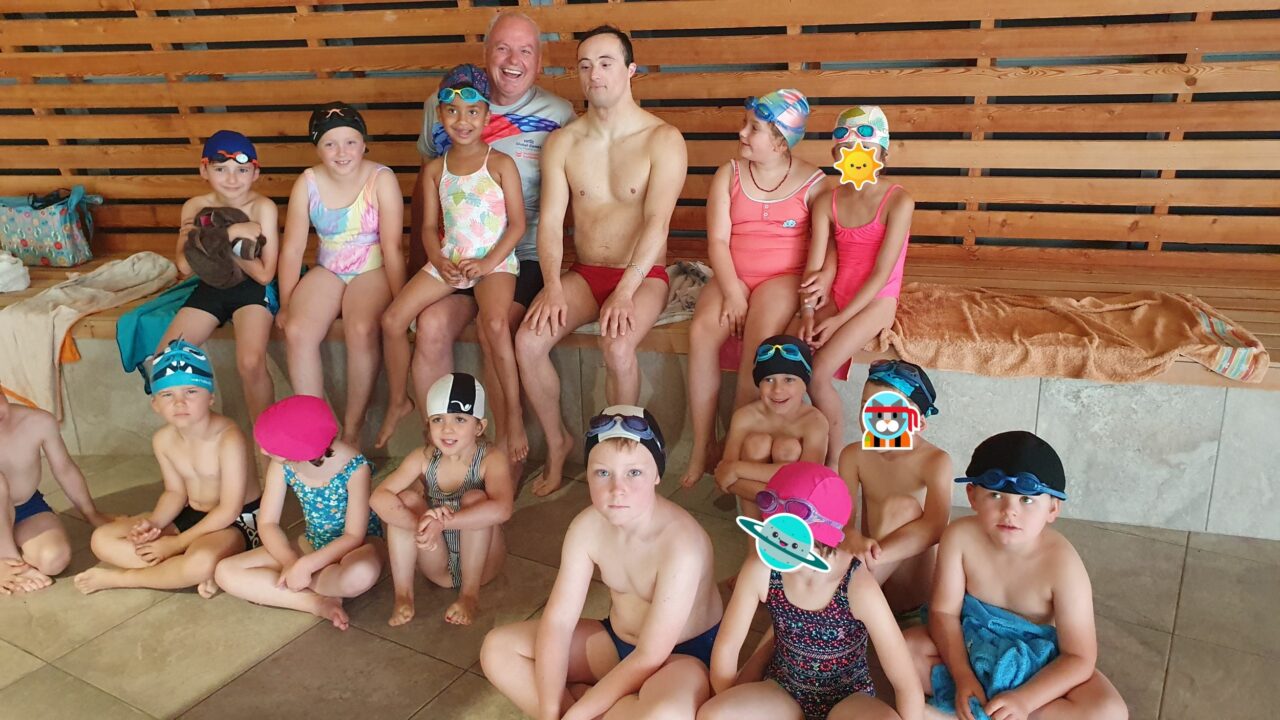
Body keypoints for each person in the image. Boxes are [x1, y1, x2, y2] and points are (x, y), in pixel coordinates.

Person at [516, 25, 687, 496]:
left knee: (617, 346)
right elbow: (550, 223)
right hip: (584, 272)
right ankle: (557, 444)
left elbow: (657, 224)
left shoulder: (663, 139)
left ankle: (624, 460)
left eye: (606, 63)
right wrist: (552, 284)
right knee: (529, 341)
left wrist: (627, 292)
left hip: (643, 272)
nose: (594, 74)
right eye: (585, 65)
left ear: (631, 70)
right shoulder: (564, 143)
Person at [407, 12, 576, 467]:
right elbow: (429, 187)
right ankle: (444, 454)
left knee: (492, 327)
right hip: (460, 257)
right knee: (432, 326)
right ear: (486, 54)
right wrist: (433, 258)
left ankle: (505, 455)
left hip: (525, 256)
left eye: (525, 50)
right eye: (503, 47)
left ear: (539, 61)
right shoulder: (439, 107)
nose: (513, 60)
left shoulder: (558, 114)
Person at [480, 406, 723, 720]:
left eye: (633, 472)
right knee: (498, 649)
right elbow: (558, 623)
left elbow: (651, 655)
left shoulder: (682, 544)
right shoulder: (586, 527)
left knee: (663, 714)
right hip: (617, 644)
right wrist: (555, 712)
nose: (616, 488)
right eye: (602, 472)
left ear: (657, 474)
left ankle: (599, 705)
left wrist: (578, 713)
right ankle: (601, 708)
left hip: (680, 659)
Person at [904, 431, 1128, 720]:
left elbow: (1079, 657)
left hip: (1038, 661)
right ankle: (976, 704)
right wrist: (962, 676)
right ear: (972, 495)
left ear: (1052, 508)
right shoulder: (959, 537)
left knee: (1109, 712)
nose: (1009, 511)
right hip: (971, 646)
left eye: (1027, 500)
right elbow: (944, 613)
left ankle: (987, 713)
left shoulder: (1063, 564)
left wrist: (1024, 700)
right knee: (903, 650)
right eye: (995, 495)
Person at [376, 66, 526, 457]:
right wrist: (439, 260)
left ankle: (514, 421)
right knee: (392, 321)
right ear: (440, 115)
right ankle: (399, 399)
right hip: (452, 260)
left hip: (494, 263)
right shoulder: (434, 170)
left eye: (473, 112)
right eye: (453, 112)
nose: (463, 121)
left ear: (487, 116)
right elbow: (427, 228)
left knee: (494, 324)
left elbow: (517, 225)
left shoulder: (500, 164)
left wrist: (489, 262)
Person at [701, 462, 924, 720]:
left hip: (848, 696)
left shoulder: (856, 585)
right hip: (783, 689)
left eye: (786, 538)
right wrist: (731, 699)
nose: (776, 545)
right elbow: (727, 647)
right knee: (715, 714)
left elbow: (905, 681)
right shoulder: (761, 569)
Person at [682, 89, 826, 488]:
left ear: (781, 140)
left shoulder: (815, 183)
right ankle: (701, 445)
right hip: (733, 273)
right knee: (700, 332)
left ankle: (738, 444)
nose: (742, 133)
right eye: (746, 125)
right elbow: (717, 242)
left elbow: (824, 246)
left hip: (782, 278)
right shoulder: (728, 174)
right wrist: (730, 290)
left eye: (754, 128)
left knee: (758, 344)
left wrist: (810, 296)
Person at [74, 340, 263, 598]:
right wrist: (154, 524)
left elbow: (229, 509)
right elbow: (175, 493)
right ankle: (185, 570)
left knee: (201, 561)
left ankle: (128, 578)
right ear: (155, 404)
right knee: (102, 539)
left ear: (210, 397)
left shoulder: (229, 438)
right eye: (167, 395)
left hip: (236, 521)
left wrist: (176, 544)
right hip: (190, 514)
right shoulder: (163, 440)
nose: (179, 403)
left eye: (191, 392)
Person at [277, 103, 406, 446]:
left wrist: (402, 303)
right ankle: (314, 428)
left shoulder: (382, 179)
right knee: (297, 330)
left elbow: (392, 247)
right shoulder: (307, 183)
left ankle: (352, 427)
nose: (342, 152)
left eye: (350, 142)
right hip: (329, 265)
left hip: (372, 265)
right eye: (330, 144)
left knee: (361, 328)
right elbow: (291, 249)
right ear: (317, 148)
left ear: (364, 143)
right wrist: (287, 304)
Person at [794, 106, 913, 464]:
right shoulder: (827, 202)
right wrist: (808, 314)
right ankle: (793, 443)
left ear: (883, 155)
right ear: (836, 155)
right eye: (846, 149)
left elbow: (880, 274)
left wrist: (839, 319)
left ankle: (831, 462)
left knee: (816, 376)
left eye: (865, 148)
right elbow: (814, 268)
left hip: (877, 300)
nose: (855, 156)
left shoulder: (899, 201)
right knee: (791, 355)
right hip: (838, 292)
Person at [214, 395, 385, 631]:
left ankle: (306, 585)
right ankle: (316, 603)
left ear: (297, 449)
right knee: (225, 572)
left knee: (360, 575)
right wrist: (290, 561)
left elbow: (353, 535)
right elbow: (268, 523)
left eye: (271, 447)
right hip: (313, 542)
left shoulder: (355, 467)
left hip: (357, 547)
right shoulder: (283, 465)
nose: (263, 450)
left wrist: (305, 567)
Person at [370, 373, 514, 627]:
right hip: (438, 564)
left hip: (484, 565)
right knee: (404, 499)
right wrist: (420, 525)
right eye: (438, 420)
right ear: (428, 425)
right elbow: (378, 498)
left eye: (459, 419)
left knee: (475, 498)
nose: (447, 429)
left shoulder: (491, 458)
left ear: (479, 426)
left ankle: (469, 596)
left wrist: (444, 523)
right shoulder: (422, 457)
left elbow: (502, 510)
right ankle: (403, 595)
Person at [153, 130, 278, 421]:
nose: (232, 179)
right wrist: (231, 234)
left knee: (250, 362)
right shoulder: (195, 206)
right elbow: (184, 266)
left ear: (255, 172)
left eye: (242, 170)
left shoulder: (262, 207)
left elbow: (263, 274)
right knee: (168, 357)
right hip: (210, 286)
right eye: (221, 169)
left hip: (251, 291)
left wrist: (209, 240)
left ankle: (268, 448)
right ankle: (203, 437)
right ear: (204, 169)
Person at [838, 360, 950, 612]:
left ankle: (843, 610)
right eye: (868, 410)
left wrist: (874, 556)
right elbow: (843, 521)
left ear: (918, 423)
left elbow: (935, 527)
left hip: (910, 587)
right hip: (869, 570)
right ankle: (841, 605)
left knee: (901, 507)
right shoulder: (853, 455)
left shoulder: (935, 461)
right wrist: (853, 537)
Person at [0, 387, 111, 594]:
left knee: (53, 560)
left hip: (26, 506)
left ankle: (11, 541)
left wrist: (91, 513)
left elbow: (65, 469)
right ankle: (7, 559)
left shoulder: (37, 422)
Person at [712, 336, 828, 520]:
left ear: (805, 385)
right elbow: (725, 476)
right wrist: (733, 471)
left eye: (789, 379)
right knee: (756, 443)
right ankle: (754, 543)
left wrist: (739, 470)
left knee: (788, 447)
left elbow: (806, 482)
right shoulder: (745, 417)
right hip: (785, 504)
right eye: (769, 379)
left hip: (797, 514)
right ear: (758, 383)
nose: (777, 390)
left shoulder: (814, 422)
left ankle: (784, 536)